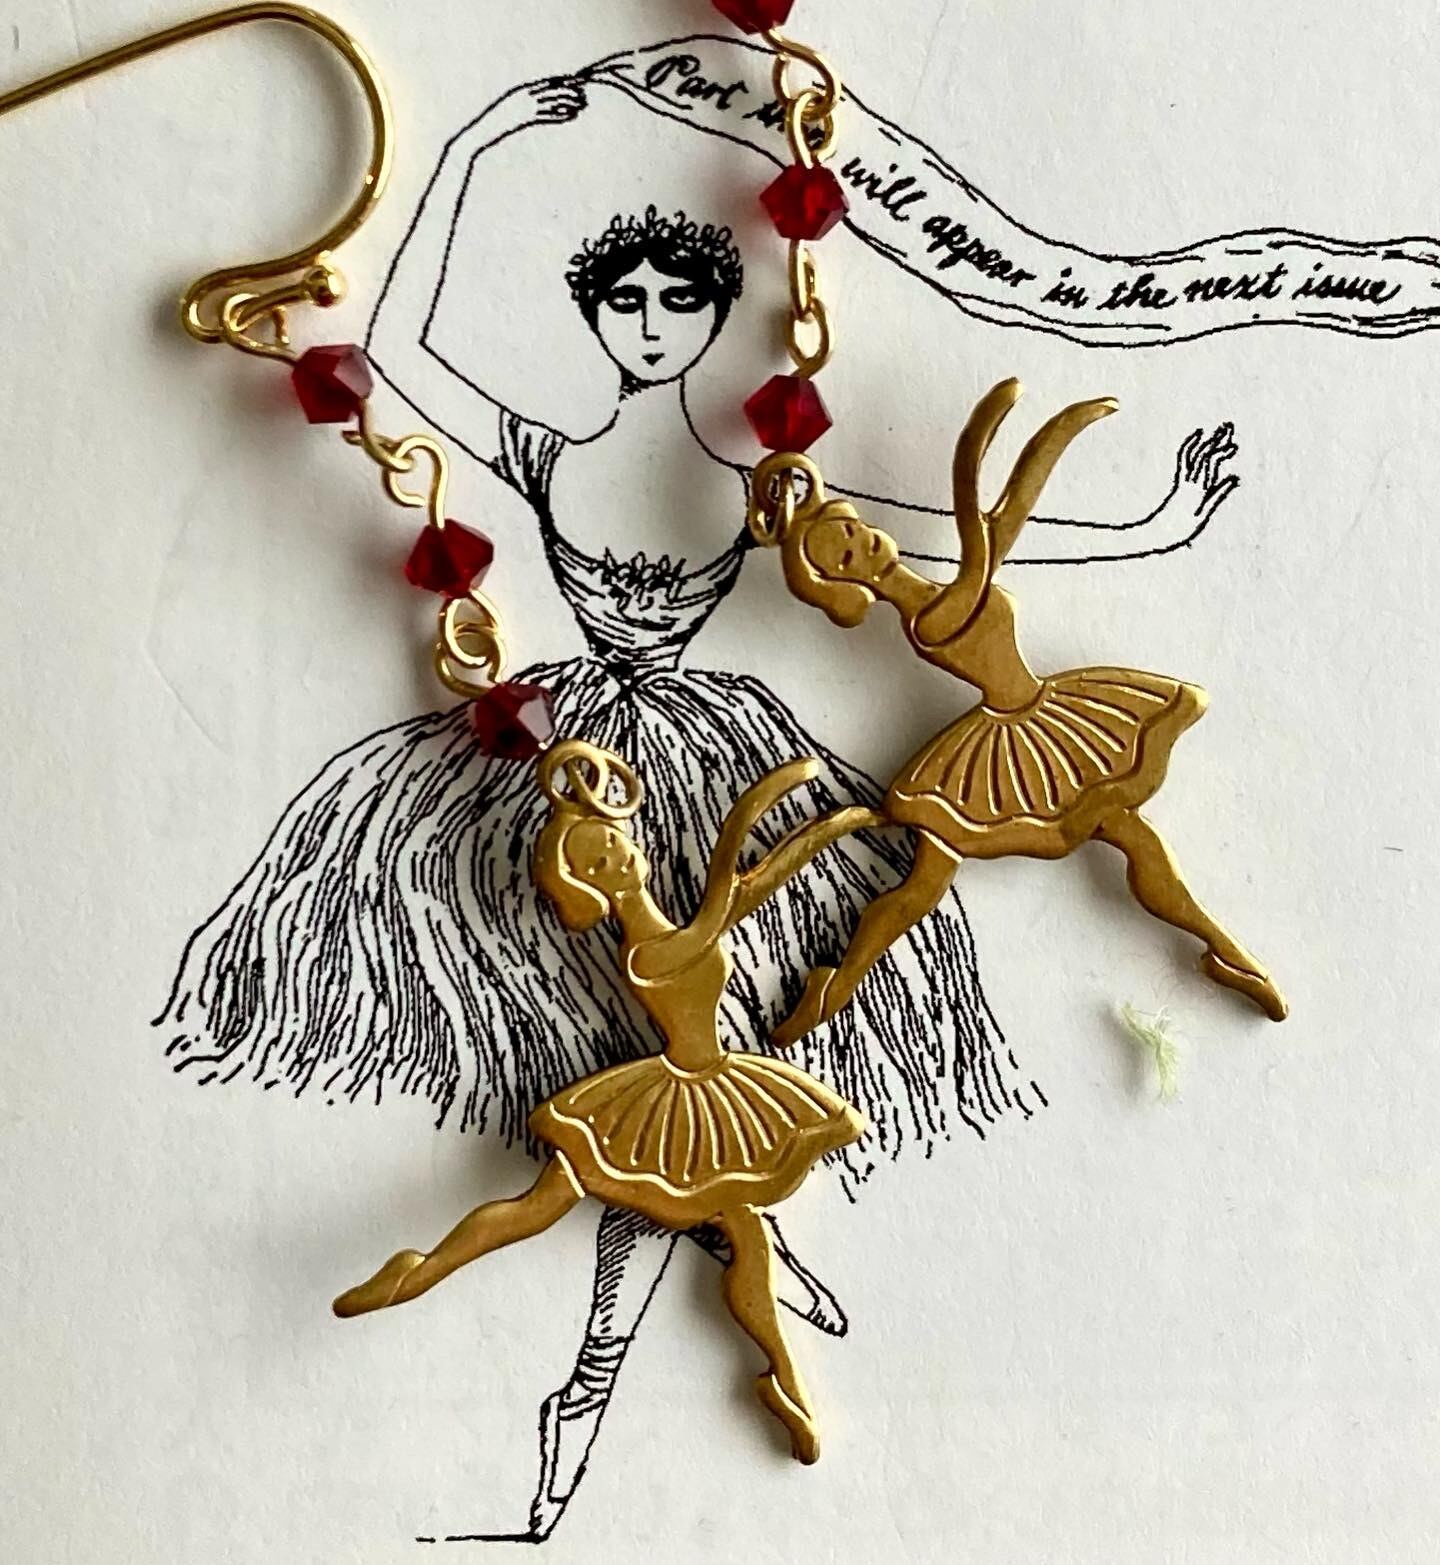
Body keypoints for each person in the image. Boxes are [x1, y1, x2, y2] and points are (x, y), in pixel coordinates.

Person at [158, 75, 1239, 1541]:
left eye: (683, 300)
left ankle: (728, 1227)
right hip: (557, 748)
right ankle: (712, 1237)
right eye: (628, 301)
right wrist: (472, 147)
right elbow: (406, 351)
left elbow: (947, 533)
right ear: (594, 315)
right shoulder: (538, 447)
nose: (655, 322)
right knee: (568, 1011)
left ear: (721, 310)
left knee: (754, 1004)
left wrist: (1164, 516)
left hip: (708, 746)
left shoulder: (750, 471)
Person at [335, 744, 871, 1471]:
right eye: (600, 859)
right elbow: (731, 885)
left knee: (743, 1235)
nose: (620, 856)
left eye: (614, 845)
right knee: (541, 1205)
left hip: (711, 1088)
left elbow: (748, 882)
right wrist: (775, 804)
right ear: (592, 881)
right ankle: (419, 1270)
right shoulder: (649, 950)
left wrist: (835, 823)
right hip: (675, 1099)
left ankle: (786, 1382)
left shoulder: (670, 926)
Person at [753, 380, 1287, 1048]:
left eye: (855, 531)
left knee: (951, 881)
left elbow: (1001, 520)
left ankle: (835, 987)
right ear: (848, 582)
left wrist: (1057, 432)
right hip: (1015, 745)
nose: (865, 543)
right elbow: (983, 540)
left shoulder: (940, 593)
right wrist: (981, 442)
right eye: (848, 554)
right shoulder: (932, 615)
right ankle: (835, 987)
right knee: (941, 883)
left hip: (1043, 714)